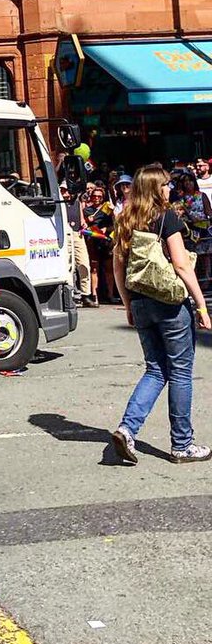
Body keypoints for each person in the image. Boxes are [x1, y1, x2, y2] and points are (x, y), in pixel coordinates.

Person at [110, 164, 212, 466]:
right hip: (168, 302)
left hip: (140, 301)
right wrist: (201, 305)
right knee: (180, 371)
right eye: (166, 184)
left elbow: (118, 267)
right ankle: (182, 444)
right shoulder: (166, 218)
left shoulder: (125, 219)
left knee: (155, 369)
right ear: (157, 188)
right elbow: (181, 265)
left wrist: (128, 305)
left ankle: (127, 429)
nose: (170, 188)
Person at [62, 184, 95, 309]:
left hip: (77, 234)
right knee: (69, 265)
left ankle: (86, 294)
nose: (66, 194)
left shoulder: (77, 202)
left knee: (84, 263)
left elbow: (81, 219)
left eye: (67, 190)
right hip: (66, 233)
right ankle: (69, 295)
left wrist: (84, 223)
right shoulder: (60, 203)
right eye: (63, 190)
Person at [83, 184, 115, 303]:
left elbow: (114, 225)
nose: (97, 198)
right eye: (95, 196)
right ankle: (94, 296)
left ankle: (110, 294)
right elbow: (83, 227)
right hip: (93, 241)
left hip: (106, 241)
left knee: (109, 269)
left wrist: (107, 228)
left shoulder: (107, 209)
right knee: (94, 269)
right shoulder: (87, 210)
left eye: (99, 196)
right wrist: (87, 221)